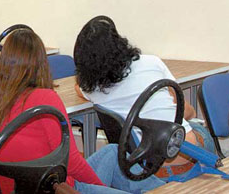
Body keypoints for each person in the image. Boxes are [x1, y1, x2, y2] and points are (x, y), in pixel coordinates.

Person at [0, 28, 164, 194]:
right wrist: (100, 188)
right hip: (58, 188)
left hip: (31, 187)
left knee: (112, 152)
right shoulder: (44, 99)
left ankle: (165, 189)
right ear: (41, 63)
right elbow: (72, 163)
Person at [73, 15, 215, 180]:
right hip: (188, 157)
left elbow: (79, 88)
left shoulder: (94, 89)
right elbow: (188, 111)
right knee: (197, 127)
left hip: (145, 167)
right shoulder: (152, 63)